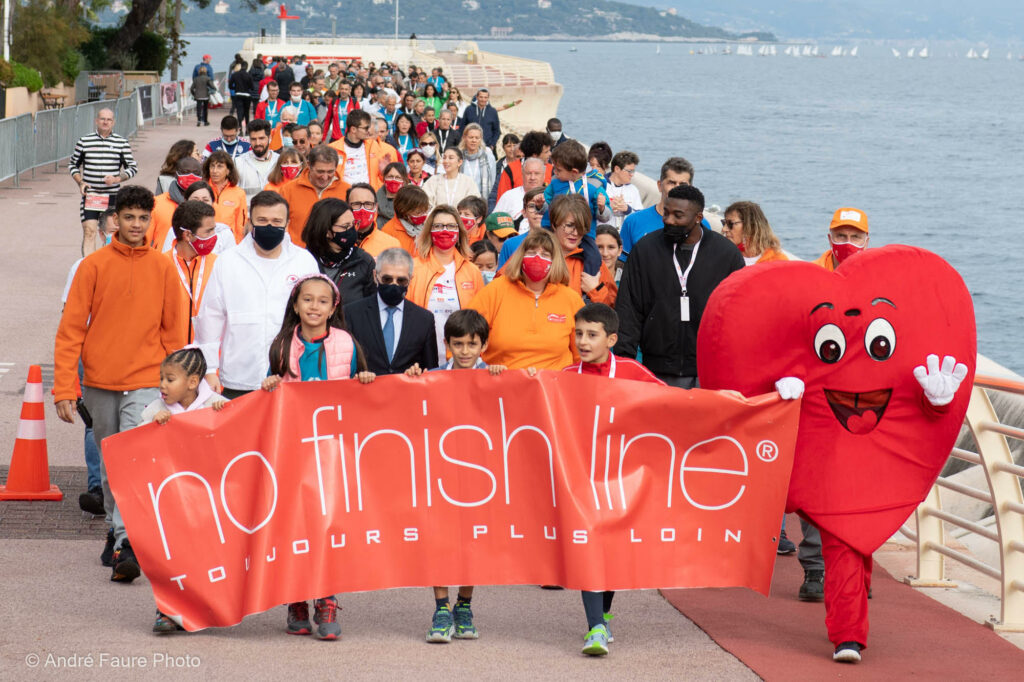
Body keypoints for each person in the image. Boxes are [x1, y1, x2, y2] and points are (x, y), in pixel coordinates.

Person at [54, 185, 185, 583]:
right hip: (99, 382)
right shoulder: (92, 267)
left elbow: (175, 332)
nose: (136, 224)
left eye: (143, 218)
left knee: (132, 461)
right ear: (115, 220)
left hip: (146, 382)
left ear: (151, 221)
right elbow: (71, 329)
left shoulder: (164, 268)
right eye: (129, 217)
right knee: (112, 465)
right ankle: (116, 529)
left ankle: (128, 542)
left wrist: (177, 387)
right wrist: (64, 388)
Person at [260, 274, 376, 640]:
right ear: (295, 305)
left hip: (331, 450)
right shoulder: (281, 346)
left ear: (334, 307)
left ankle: (325, 599)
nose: (314, 307)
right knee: (294, 525)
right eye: (307, 300)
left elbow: (362, 389)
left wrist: (367, 380)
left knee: (327, 526)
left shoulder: (346, 343)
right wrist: (269, 386)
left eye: (322, 301)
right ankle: (296, 598)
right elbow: (269, 392)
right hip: (292, 451)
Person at [563, 303, 665, 655]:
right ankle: (595, 628)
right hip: (581, 481)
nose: (583, 341)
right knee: (589, 549)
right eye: (578, 334)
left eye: (592, 335)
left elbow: (674, 405)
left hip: (623, 479)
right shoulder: (564, 375)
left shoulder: (633, 371)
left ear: (611, 339)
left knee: (615, 551)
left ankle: (603, 612)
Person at [405, 308, 504, 643]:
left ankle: (465, 604)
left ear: (484, 345)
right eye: (458, 344)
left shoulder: (494, 376)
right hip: (440, 472)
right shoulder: (431, 376)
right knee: (439, 538)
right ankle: (441, 607)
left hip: (478, 474)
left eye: (472, 344)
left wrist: (508, 380)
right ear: (446, 344)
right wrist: (413, 380)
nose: (464, 351)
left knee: (473, 539)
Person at [614, 185, 744, 388]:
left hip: (708, 370)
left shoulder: (726, 254)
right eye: (666, 213)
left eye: (678, 215)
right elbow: (628, 309)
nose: (668, 220)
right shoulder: (646, 250)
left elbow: (738, 315)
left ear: (698, 217)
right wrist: (624, 363)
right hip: (655, 369)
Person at [196, 191, 319, 399]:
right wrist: (209, 370)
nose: (269, 226)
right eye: (262, 220)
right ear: (250, 222)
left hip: (292, 375)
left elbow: (316, 317)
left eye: (276, 221)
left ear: (287, 223)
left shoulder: (304, 261)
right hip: (239, 377)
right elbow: (210, 317)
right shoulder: (228, 261)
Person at [143, 346, 228, 634]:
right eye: (161, 379)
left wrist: (224, 415)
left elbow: (233, 438)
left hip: (206, 500)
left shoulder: (215, 403)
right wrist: (153, 426)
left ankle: (201, 606)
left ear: (193, 382)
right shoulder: (156, 409)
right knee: (171, 557)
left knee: (205, 556)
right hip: (171, 499)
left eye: (170, 379)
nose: (162, 386)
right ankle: (166, 611)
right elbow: (136, 446)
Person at [60, 209, 118, 515]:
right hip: (91, 357)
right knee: (93, 424)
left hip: (130, 358)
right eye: (113, 228)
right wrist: (67, 379)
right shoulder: (83, 266)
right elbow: (68, 319)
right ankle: (97, 488)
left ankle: (122, 490)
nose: (119, 232)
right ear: (101, 232)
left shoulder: (150, 264)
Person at [469, 229, 583, 370]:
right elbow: (465, 338)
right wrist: (482, 370)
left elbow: (582, 356)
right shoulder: (495, 291)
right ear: (520, 257)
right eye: (531, 253)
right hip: (502, 384)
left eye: (545, 255)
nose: (537, 258)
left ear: (555, 261)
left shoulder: (571, 299)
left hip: (552, 387)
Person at [343, 248, 438, 375]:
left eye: (401, 280)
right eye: (387, 279)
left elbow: (430, 371)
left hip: (407, 392)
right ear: (375, 276)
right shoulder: (351, 313)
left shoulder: (424, 320)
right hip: (365, 392)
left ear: (410, 279)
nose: (394, 285)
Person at [407, 205, 484, 361]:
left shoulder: (472, 271)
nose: (444, 230)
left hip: (461, 360)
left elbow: (480, 320)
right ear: (429, 231)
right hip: (421, 359)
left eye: (451, 226)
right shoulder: (413, 268)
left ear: (459, 231)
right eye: (438, 226)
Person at [69, 108, 139, 255]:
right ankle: (89, 268)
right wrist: (81, 182)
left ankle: (109, 266)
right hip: (91, 195)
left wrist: (117, 178)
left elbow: (132, 167)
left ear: (113, 122)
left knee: (111, 233)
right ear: (96, 121)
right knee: (89, 231)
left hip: (112, 196)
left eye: (109, 119)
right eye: (102, 119)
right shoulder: (84, 141)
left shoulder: (121, 143)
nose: (105, 122)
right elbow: (73, 165)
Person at [302, 198, 377, 306]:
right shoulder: (304, 260)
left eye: (353, 224)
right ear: (327, 231)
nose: (351, 230)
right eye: (345, 226)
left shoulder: (364, 261)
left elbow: (371, 307)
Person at [619, 157, 696, 261]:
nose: (677, 189)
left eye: (683, 184)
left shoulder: (700, 226)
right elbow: (622, 264)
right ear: (660, 186)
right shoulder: (634, 222)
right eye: (671, 183)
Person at [166, 200, 220, 343]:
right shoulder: (160, 265)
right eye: (208, 231)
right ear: (188, 235)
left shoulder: (219, 265)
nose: (214, 236)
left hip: (210, 359)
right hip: (172, 358)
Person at [549, 195, 617, 306]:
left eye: (581, 227)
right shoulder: (535, 254)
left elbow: (613, 309)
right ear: (554, 224)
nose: (575, 233)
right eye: (569, 225)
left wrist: (596, 289)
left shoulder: (595, 263)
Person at [279, 145, 352, 248]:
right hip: (298, 256)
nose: (325, 177)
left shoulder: (347, 190)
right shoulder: (288, 190)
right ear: (309, 165)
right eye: (320, 171)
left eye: (330, 172)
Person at [543, 140, 611, 227]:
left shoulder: (595, 185)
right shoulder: (555, 182)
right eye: (554, 168)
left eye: (558, 170)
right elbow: (546, 207)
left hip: (585, 233)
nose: (555, 172)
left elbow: (605, 217)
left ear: (574, 172)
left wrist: (602, 208)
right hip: (556, 230)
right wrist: (540, 205)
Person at [147, 156, 204, 250]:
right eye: (186, 172)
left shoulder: (207, 205)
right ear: (176, 174)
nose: (191, 176)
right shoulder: (157, 203)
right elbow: (146, 240)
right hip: (163, 261)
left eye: (196, 173)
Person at [329, 109, 392, 189]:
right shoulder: (333, 149)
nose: (368, 131)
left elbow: (381, 180)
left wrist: (383, 172)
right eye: (365, 128)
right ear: (353, 129)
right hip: (344, 196)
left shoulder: (373, 145)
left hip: (369, 196)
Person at [722, 201, 790, 265]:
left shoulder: (778, 261)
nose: (724, 229)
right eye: (724, 223)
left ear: (751, 226)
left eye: (730, 224)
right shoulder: (724, 257)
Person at [493, 130, 553, 204]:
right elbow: (502, 201)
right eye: (546, 152)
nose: (550, 154)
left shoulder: (552, 170)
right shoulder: (510, 170)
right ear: (535, 155)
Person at [346, 183, 401, 258]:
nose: (362, 209)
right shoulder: (336, 241)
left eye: (368, 204)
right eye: (356, 204)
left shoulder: (391, 245)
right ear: (347, 207)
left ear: (376, 207)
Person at [203, 151, 248, 241]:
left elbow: (241, 225)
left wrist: (238, 246)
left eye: (220, 166)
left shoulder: (239, 193)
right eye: (212, 166)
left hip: (229, 243)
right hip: (205, 241)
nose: (214, 171)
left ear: (228, 171)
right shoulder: (202, 190)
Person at [813, 207, 870, 271]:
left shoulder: (874, 273)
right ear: (830, 240)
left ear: (866, 243)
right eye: (841, 236)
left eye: (855, 237)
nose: (848, 243)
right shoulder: (813, 272)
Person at [381, 184, 431, 254]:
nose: (423, 215)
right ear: (404, 211)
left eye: (425, 211)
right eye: (418, 212)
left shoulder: (428, 226)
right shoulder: (389, 232)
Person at [235, 119, 279, 198]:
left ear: (270, 138)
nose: (257, 143)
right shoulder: (238, 163)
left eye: (261, 138)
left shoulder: (279, 162)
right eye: (253, 139)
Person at [494, 157, 545, 221]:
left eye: (537, 173)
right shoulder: (508, 196)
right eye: (528, 173)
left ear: (544, 176)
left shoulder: (551, 197)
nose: (532, 177)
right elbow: (494, 222)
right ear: (522, 175)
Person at [603, 151, 644, 229]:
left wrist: (627, 209)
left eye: (633, 171)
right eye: (629, 171)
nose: (632, 174)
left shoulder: (633, 190)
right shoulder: (601, 185)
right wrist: (608, 207)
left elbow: (641, 216)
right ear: (617, 169)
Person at [459, 123, 496, 200]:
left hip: (481, 201)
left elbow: (492, 182)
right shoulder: (458, 157)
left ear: (481, 139)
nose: (474, 140)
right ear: (464, 138)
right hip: (462, 199)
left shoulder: (489, 157)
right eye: (471, 137)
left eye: (477, 138)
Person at [376, 162, 409, 227]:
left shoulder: (411, 201)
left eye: (398, 177)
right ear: (384, 179)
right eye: (390, 176)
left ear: (404, 180)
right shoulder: (374, 201)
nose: (393, 180)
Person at [228, 62, 254, 131]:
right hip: (247, 95)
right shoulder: (248, 75)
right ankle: (247, 129)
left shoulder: (235, 75)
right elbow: (252, 87)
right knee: (246, 112)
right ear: (247, 67)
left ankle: (240, 128)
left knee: (239, 111)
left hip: (238, 94)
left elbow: (230, 85)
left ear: (241, 66)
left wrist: (235, 88)